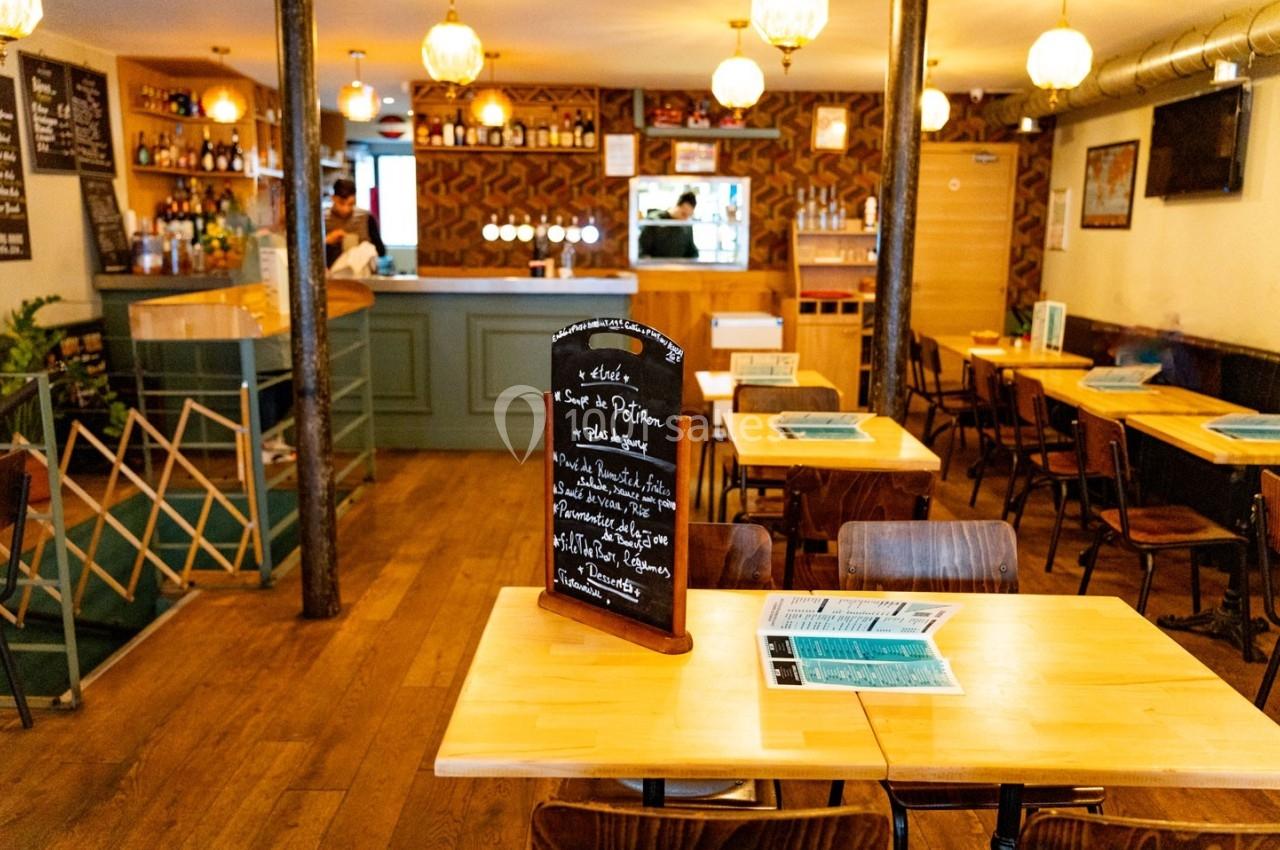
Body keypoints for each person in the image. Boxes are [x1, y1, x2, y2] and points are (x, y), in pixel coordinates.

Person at [325, 179, 386, 269]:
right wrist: (327, 240)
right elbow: (311, 253)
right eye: (341, 203)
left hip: (363, 272)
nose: (346, 209)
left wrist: (363, 248)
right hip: (332, 273)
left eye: (350, 204)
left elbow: (381, 251)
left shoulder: (366, 217)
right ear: (333, 198)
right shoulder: (322, 219)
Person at [638, 191, 699, 259]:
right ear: (676, 206)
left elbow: (692, 250)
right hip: (656, 264)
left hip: (679, 265)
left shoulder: (686, 226)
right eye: (683, 214)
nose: (685, 219)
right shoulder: (654, 221)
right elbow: (642, 251)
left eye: (689, 215)